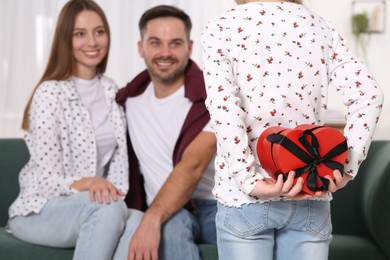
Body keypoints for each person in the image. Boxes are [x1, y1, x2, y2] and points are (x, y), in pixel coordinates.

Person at [201, 1, 384, 260]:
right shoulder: (321, 28)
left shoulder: (222, 26)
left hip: (246, 200)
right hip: (310, 190)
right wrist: (345, 168)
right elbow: (369, 93)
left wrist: (248, 179)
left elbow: (224, 105)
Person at [6, 1, 142, 259]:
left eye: (99, 32)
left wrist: (105, 188)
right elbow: (48, 182)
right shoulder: (49, 93)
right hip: (39, 210)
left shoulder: (113, 92)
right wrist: (92, 183)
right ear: (65, 39)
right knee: (108, 207)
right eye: (80, 34)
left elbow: (117, 173)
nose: (92, 41)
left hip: (97, 205)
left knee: (137, 220)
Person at [115, 5, 217, 260]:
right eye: (155, 43)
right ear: (141, 48)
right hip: (170, 209)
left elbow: (192, 166)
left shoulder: (214, 97)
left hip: (216, 207)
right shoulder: (128, 101)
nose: (165, 53)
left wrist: (151, 217)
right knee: (170, 225)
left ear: (190, 47)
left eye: (175, 43)